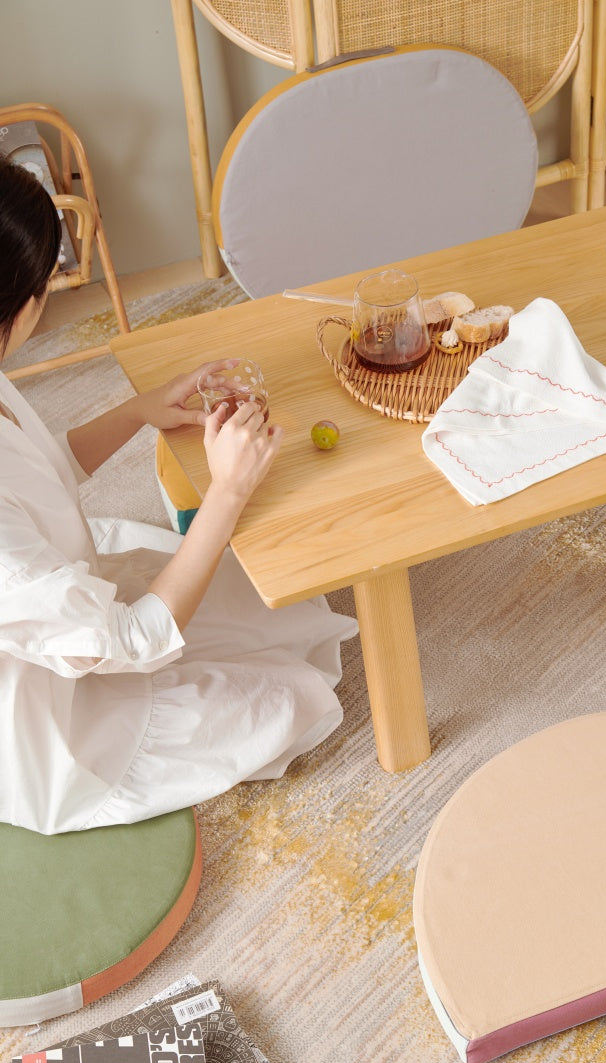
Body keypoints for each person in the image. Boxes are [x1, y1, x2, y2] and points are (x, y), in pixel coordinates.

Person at [0, 156, 358, 835]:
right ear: (20, 303)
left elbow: (38, 473)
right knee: (289, 698)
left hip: (62, 619)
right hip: (55, 728)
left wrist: (141, 411)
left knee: (285, 611)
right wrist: (228, 492)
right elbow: (131, 640)